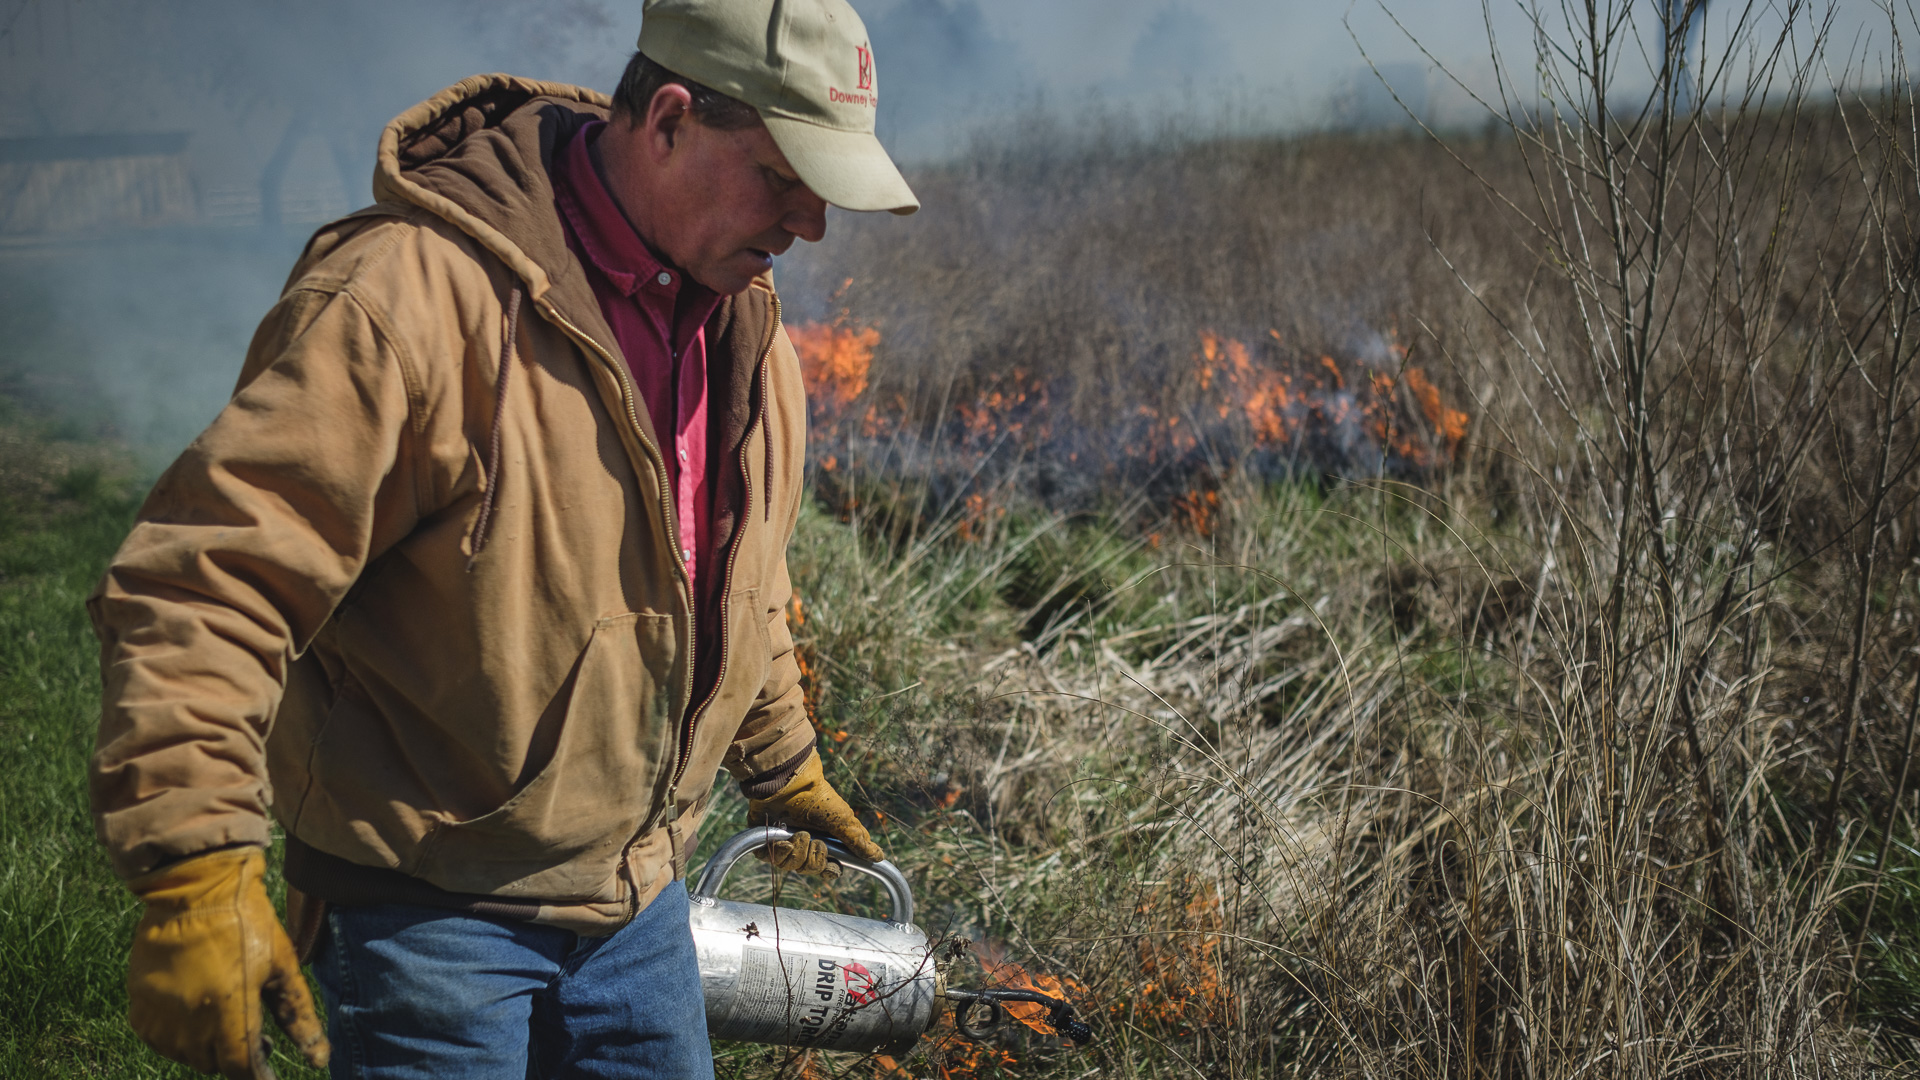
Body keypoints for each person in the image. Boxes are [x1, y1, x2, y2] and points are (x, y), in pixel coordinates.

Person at [85, 0, 916, 1076]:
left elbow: (729, 581)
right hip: (427, 913)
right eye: (783, 174)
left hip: (640, 908)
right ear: (668, 118)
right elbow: (211, 581)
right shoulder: (411, 302)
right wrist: (193, 862)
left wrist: (782, 761)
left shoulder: (745, 332)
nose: (809, 222)